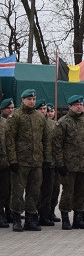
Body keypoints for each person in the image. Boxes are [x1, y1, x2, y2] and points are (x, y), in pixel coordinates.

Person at [5, 89, 51, 231]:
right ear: (23, 99)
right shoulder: (16, 116)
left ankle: (31, 219)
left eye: (33, 99)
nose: (32, 101)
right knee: (17, 192)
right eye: (29, 99)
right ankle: (17, 218)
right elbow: (9, 140)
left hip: (37, 162)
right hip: (20, 162)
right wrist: (12, 160)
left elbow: (46, 140)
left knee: (34, 191)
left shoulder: (40, 117)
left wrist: (47, 159)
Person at [53, 95, 84, 230]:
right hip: (69, 166)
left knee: (81, 193)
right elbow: (57, 145)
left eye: (80, 104)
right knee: (67, 192)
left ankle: (78, 219)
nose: (79, 106)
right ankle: (65, 219)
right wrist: (60, 164)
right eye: (76, 104)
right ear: (70, 106)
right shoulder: (63, 122)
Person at [35, 99, 57, 226]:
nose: (45, 112)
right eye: (42, 109)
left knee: (50, 190)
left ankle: (46, 214)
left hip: (51, 162)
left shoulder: (53, 124)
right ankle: (34, 214)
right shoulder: (34, 123)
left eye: (45, 110)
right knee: (37, 190)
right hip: (37, 162)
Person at [0, 98, 14, 226]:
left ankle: (9, 212)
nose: (11, 110)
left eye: (12, 108)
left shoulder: (7, 123)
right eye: (8, 108)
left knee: (8, 189)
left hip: (8, 162)